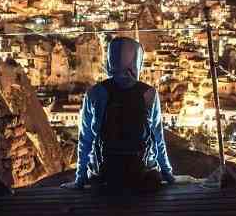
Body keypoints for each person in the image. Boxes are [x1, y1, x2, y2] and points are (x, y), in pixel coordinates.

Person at [61, 36, 176, 192]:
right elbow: (157, 139)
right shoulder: (148, 94)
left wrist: (80, 180)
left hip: (105, 176)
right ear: (137, 61)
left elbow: (85, 140)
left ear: (110, 61)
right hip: (141, 176)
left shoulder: (95, 93)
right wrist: (168, 175)